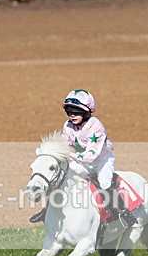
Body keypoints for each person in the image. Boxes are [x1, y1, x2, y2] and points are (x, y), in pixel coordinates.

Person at [30, 89, 137, 227]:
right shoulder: (68, 125)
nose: (72, 115)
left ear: (87, 112)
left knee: (105, 182)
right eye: (69, 111)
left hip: (101, 160)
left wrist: (70, 155)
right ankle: (46, 210)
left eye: (77, 111)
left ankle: (123, 211)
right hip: (81, 160)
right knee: (61, 177)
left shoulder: (96, 126)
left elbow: (92, 155)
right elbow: (65, 145)